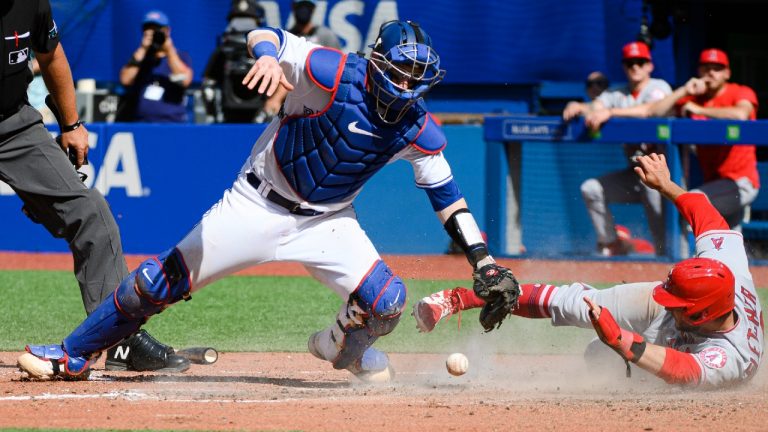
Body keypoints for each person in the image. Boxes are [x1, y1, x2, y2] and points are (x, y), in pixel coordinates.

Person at [17, 20, 520, 383]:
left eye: (418, 78)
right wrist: (264, 56)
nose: (408, 86)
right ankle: (73, 354)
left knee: (386, 303)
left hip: (328, 222)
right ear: (380, 63)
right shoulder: (333, 71)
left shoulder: (417, 127)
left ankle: (336, 345)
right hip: (257, 203)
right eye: (402, 73)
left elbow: (450, 201)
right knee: (158, 282)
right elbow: (267, 35)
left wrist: (484, 260)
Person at [414, 153, 764, 388]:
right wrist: (666, 185)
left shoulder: (729, 357)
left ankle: (611, 351)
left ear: (702, 313)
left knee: (598, 357)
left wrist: (621, 342)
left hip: (672, 354)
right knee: (579, 302)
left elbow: (682, 369)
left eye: (676, 303)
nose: (666, 302)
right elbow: (704, 213)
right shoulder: (723, 269)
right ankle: (464, 298)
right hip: (681, 328)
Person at [0, 1, 188, 373]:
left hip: (13, 124)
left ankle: (120, 340)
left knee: (92, 214)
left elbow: (51, 55)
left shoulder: (31, 2)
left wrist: (70, 125)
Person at [590, 48, 759, 231]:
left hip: (740, 181)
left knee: (691, 204)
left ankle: (686, 258)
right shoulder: (694, 98)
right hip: (714, 183)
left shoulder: (739, 92)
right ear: (699, 72)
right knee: (729, 234)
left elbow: (741, 114)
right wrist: (684, 90)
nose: (710, 73)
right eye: (705, 68)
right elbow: (655, 111)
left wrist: (698, 110)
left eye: (717, 68)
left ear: (727, 73)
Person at [563, 42, 672, 256]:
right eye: (630, 63)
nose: (635, 67)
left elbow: (649, 110)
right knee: (591, 188)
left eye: (640, 62)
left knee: (664, 235)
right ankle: (612, 244)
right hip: (637, 174)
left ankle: (669, 258)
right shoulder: (618, 93)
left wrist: (610, 112)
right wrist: (579, 106)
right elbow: (597, 106)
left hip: (664, 175)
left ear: (649, 65)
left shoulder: (658, 88)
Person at [262, 0, 343, 120]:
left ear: (313, 9)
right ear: (293, 8)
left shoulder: (326, 36)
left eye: (307, 6)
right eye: (300, 6)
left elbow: (338, 69)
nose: (303, 11)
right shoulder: (287, 38)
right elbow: (285, 71)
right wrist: (276, 99)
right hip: (292, 103)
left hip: (321, 100)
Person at [117, 10, 194, 123]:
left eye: (157, 29)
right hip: (141, 123)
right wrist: (143, 49)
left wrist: (169, 49)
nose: (152, 33)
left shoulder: (180, 56)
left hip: (172, 123)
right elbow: (126, 80)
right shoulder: (140, 57)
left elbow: (185, 80)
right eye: (148, 29)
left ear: (167, 31)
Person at [202, 0, 270, 123]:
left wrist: (269, 110)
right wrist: (214, 116)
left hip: (261, 116)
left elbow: (280, 82)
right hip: (228, 115)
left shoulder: (268, 52)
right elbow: (208, 84)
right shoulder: (222, 52)